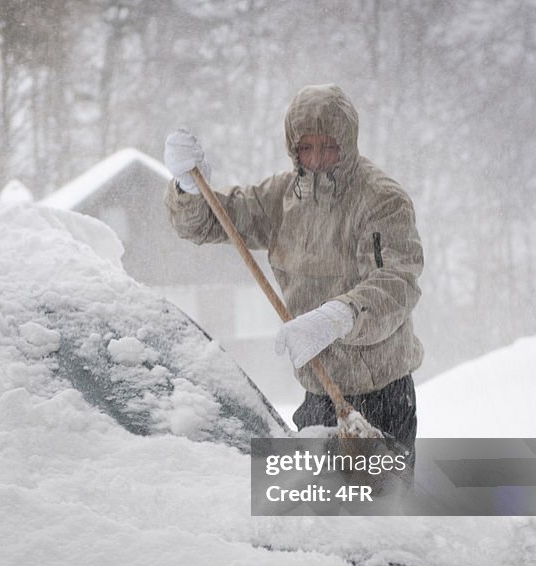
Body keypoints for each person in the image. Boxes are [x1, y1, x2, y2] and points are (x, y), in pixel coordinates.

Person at [162, 83, 423, 458]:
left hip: (382, 395)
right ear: (293, 148)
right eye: (306, 147)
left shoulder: (381, 200)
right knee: (314, 508)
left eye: (328, 146)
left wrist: (340, 316)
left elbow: (397, 282)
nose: (316, 158)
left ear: (347, 144)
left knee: (379, 511)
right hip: (319, 391)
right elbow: (210, 222)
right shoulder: (281, 198)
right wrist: (188, 187)